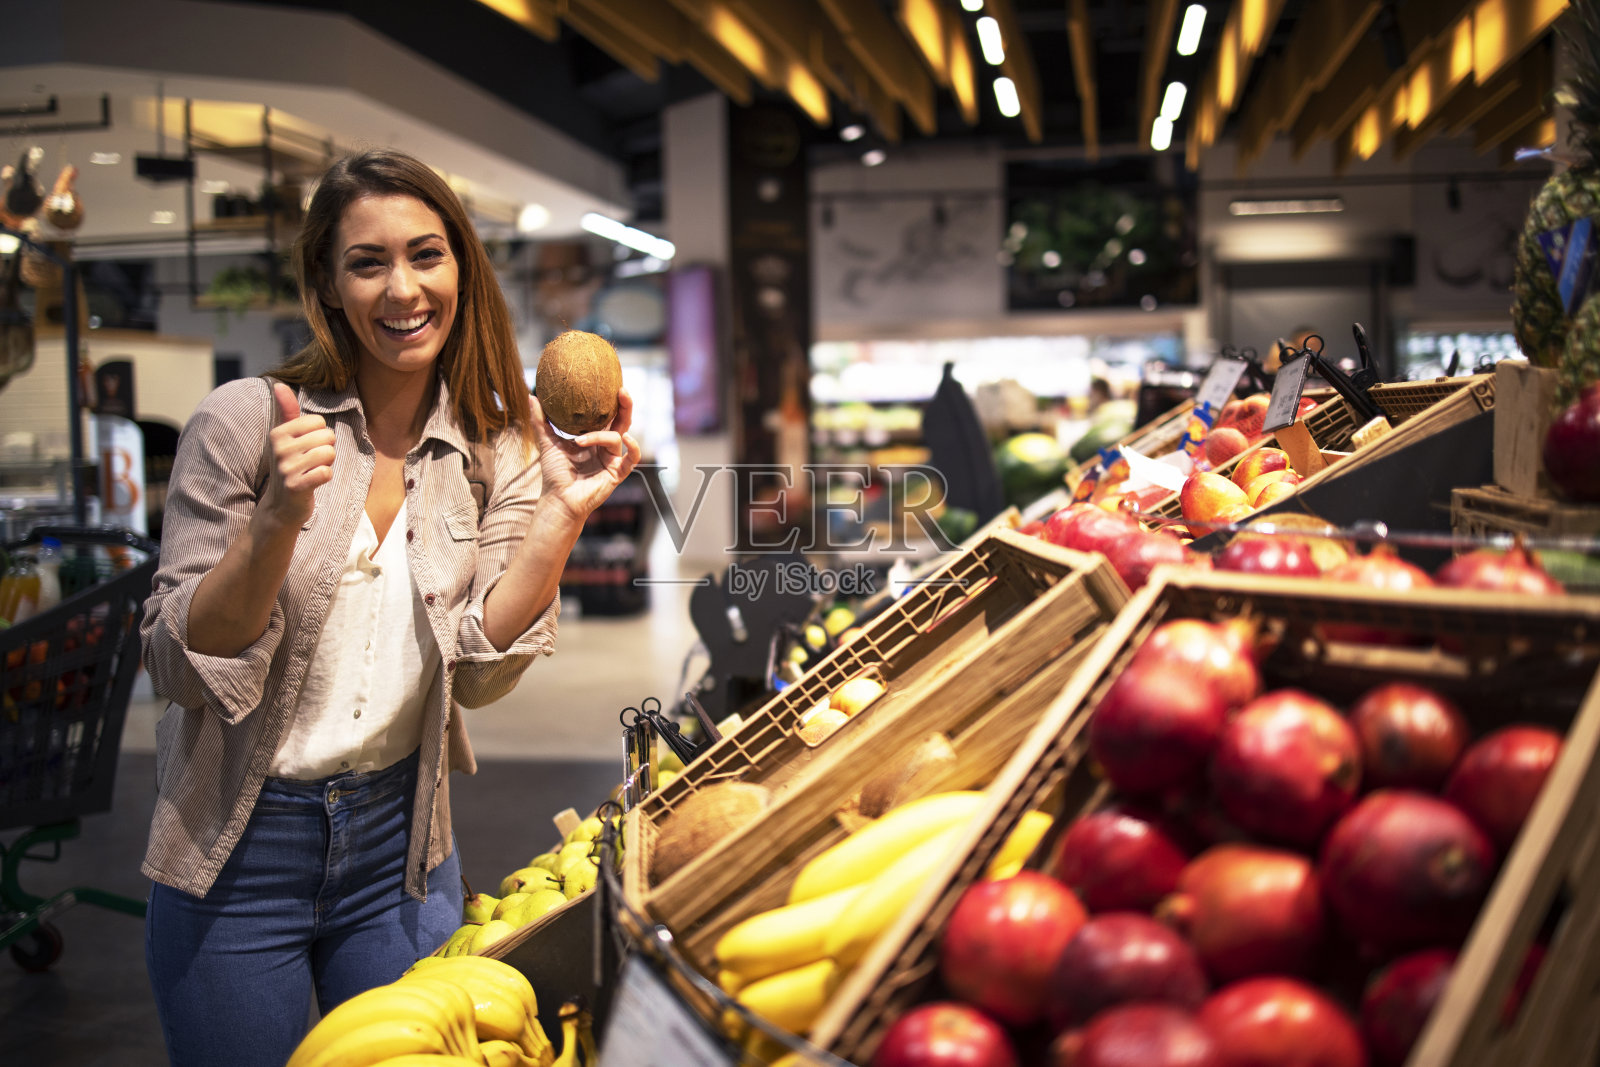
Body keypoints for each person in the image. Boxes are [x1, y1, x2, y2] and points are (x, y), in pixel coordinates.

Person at [138, 148, 640, 1067]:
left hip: (400, 852)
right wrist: (276, 525)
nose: (402, 287)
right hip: (238, 853)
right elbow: (179, 664)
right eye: (367, 262)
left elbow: (480, 673)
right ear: (328, 285)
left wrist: (562, 512)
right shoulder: (249, 424)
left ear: (461, 271)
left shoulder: (490, 451)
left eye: (426, 254)